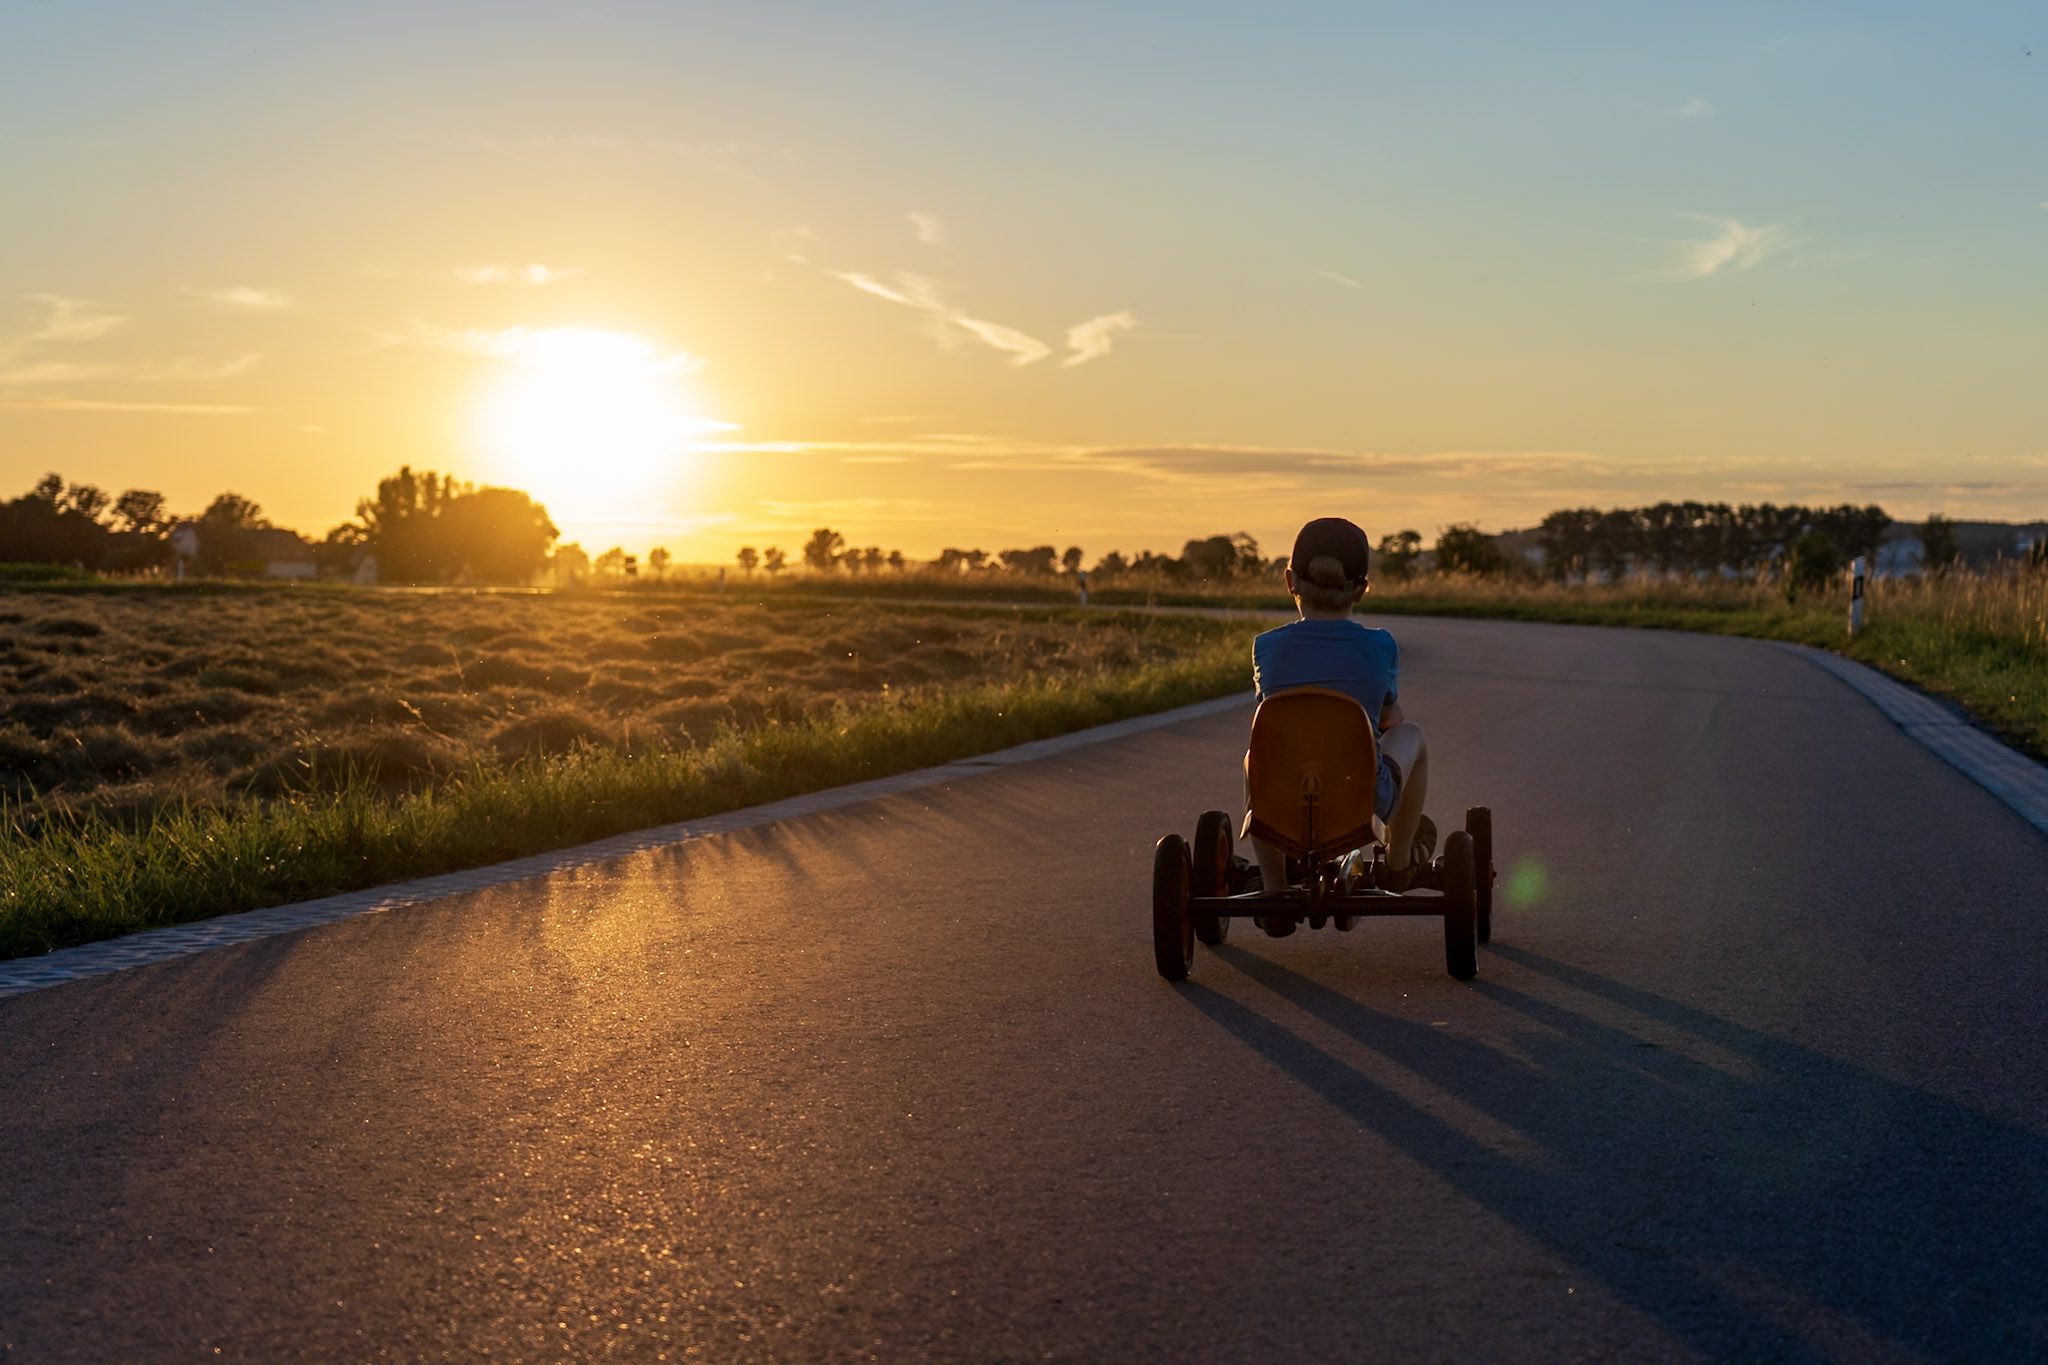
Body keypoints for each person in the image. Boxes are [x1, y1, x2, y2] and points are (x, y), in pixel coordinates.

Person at [1247, 517, 1434, 922]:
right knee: (1411, 734)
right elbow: (1387, 714)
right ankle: (1398, 861)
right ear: (1362, 590)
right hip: (1358, 797)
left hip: (1281, 800)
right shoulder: (1379, 645)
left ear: (1290, 581)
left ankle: (1274, 890)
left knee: (1255, 757)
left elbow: (1276, 713)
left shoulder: (1267, 647)